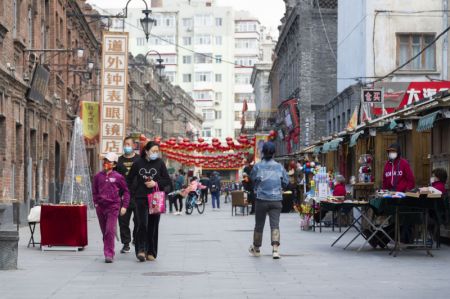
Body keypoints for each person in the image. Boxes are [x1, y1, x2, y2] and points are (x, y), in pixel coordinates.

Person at [127, 141, 171, 262]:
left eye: (157, 151)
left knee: (153, 225)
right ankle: (141, 250)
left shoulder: (160, 163)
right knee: (142, 224)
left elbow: (167, 181)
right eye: (153, 151)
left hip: (156, 197)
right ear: (146, 151)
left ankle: (151, 251)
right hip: (141, 198)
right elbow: (129, 180)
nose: (155, 153)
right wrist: (132, 194)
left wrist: (155, 183)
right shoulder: (137, 163)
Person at [249, 142, 288, 259]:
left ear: (263, 152)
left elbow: (252, 179)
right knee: (275, 225)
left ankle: (256, 248)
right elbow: (285, 182)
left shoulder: (258, 166)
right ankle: (275, 250)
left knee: (259, 225)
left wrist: (257, 186)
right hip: (276, 199)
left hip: (261, 199)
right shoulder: (279, 167)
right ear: (273, 153)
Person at [92, 152, 129, 263]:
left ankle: (109, 254)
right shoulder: (98, 176)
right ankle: (108, 248)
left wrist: (124, 206)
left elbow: (126, 192)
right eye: (105, 161)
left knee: (109, 230)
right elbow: (94, 191)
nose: (106, 163)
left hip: (113, 207)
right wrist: (96, 203)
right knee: (105, 232)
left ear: (114, 164)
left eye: (109, 161)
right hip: (101, 207)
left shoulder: (118, 177)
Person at [116, 136, 140, 254]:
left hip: (138, 195)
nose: (127, 147)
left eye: (129, 144)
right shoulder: (118, 161)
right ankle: (126, 243)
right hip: (123, 196)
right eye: (125, 144)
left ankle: (136, 238)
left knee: (139, 220)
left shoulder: (139, 160)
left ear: (134, 146)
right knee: (123, 221)